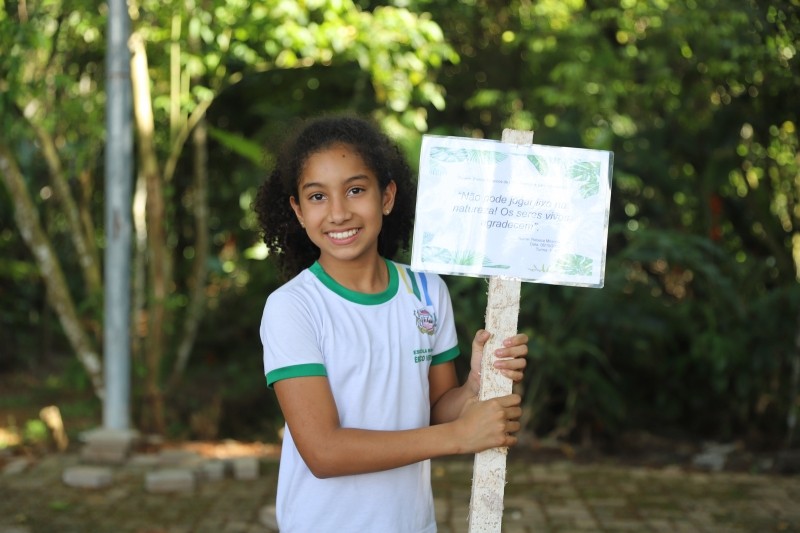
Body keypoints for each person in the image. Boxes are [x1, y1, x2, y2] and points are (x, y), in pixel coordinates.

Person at [254, 114, 528, 533]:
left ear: (387, 196)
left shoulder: (425, 291)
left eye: (356, 190)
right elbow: (323, 452)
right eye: (317, 197)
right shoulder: (294, 307)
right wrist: (460, 437)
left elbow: (438, 411)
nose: (339, 212)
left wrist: (475, 386)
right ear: (297, 209)